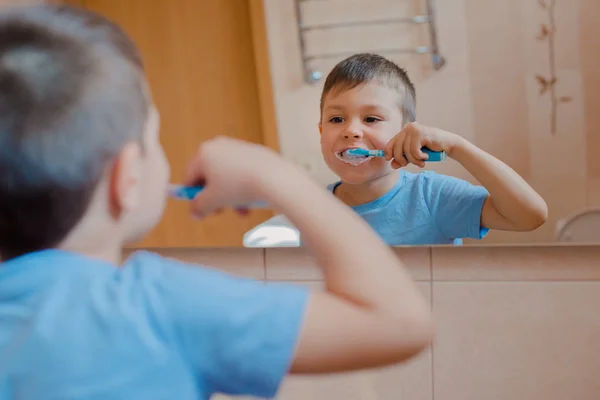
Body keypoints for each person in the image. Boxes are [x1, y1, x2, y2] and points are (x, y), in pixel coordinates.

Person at [0, 5, 434, 399]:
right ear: (126, 177)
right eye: (155, 139)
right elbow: (401, 324)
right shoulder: (160, 306)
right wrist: (276, 175)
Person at [247, 53, 548, 246]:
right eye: (337, 119)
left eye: (371, 119)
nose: (352, 130)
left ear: (406, 133)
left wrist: (459, 147)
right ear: (321, 132)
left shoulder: (432, 199)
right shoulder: (310, 211)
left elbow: (529, 216)